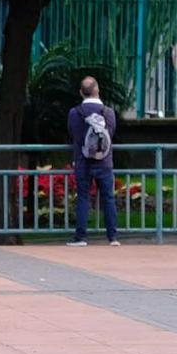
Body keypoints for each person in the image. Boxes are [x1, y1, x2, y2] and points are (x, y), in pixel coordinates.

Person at [67, 76, 120, 247]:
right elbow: (110, 135)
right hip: (105, 162)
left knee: (83, 198)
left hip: (83, 162)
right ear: (98, 90)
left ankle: (81, 237)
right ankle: (112, 237)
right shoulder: (109, 112)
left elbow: (73, 134)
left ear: (81, 92)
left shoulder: (74, 113)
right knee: (108, 198)